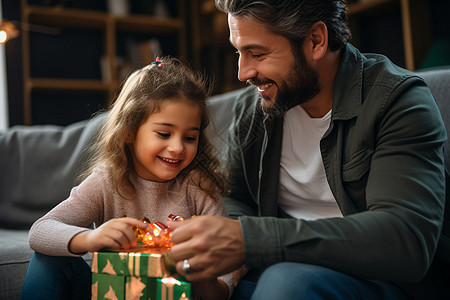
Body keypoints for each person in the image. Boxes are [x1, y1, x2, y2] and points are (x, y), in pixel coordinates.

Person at [168, 1, 449, 299]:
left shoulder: (397, 102)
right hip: (279, 272)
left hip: (382, 283)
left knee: (287, 283)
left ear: (316, 41)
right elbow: (238, 199)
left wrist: (252, 241)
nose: (243, 72)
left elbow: (404, 240)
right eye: (239, 52)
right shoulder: (253, 112)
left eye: (257, 53)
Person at [21, 57, 233, 300]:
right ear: (130, 131)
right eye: (164, 134)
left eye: (189, 138)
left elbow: (225, 283)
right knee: (48, 258)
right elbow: (40, 231)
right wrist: (90, 238)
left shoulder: (198, 187)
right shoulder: (107, 181)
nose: (177, 148)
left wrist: (200, 275)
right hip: (112, 293)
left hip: (175, 293)